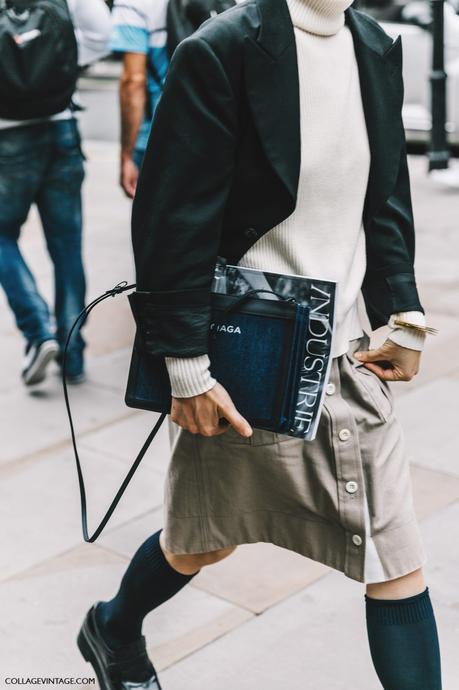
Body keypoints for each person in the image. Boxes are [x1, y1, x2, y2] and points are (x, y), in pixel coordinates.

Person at [77, 1, 443, 689]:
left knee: (395, 560)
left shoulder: (371, 44)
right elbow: (172, 216)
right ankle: (114, 626)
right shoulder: (224, 50)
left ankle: (113, 626)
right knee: (201, 542)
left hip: (346, 363)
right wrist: (184, 366)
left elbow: (385, 196)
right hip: (250, 365)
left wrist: (404, 318)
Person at [0, 0, 111, 386]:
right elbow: (101, 34)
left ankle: (37, 331)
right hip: (61, 125)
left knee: (1, 235)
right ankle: (73, 350)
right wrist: (56, 67)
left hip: (5, 132)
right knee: (66, 244)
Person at [110, 0, 169, 198]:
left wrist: (126, 155)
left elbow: (133, 81)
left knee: (157, 223)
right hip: (222, 129)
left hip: (158, 136)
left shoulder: (134, 3)